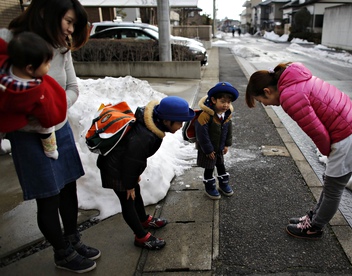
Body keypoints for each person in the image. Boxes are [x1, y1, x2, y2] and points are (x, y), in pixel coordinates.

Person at [1, 0, 100, 273]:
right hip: (27, 137)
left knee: (69, 187)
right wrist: (29, 114)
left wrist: (52, 109)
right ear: (46, 13)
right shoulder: (9, 41)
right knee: (48, 196)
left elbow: (72, 86)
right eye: (68, 22)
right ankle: (62, 253)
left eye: (74, 25)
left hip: (59, 127)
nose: (70, 30)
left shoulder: (61, 48)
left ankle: (72, 239)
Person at [245, 62, 352, 239]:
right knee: (330, 184)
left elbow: (317, 133)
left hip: (347, 137)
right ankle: (314, 217)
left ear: (267, 91)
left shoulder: (290, 96)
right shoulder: (295, 80)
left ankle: (314, 227)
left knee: (333, 190)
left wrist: (328, 153)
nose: (266, 105)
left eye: (262, 101)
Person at [96, 96, 195, 249]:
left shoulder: (152, 126)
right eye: (178, 122)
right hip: (115, 169)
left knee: (136, 192)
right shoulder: (144, 136)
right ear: (166, 121)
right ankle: (141, 237)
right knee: (128, 201)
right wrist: (129, 183)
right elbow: (132, 160)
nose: (180, 126)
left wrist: (133, 178)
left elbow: (134, 159)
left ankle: (142, 219)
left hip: (125, 166)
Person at [0, 31, 67, 160]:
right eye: (47, 63)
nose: (49, 66)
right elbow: (47, 115)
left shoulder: (4, 66)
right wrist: (50, 120)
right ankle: (51, 150)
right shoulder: (36, 91)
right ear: (30, 69)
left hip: (4, 115)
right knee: (46, 128)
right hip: (20, 119)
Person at [195, 82, 239, 199]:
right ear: (214, 100)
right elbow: (202, 135)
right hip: (207, 148)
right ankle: (209, 187)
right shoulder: (206, 115)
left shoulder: (226, 115)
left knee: (221, 166)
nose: (226, 105)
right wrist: (208, 149)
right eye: (223, 102)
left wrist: (226, 144)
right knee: (209, 168)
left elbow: (228, 130)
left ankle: (223, 184)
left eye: (228, 102)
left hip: (219, 147)